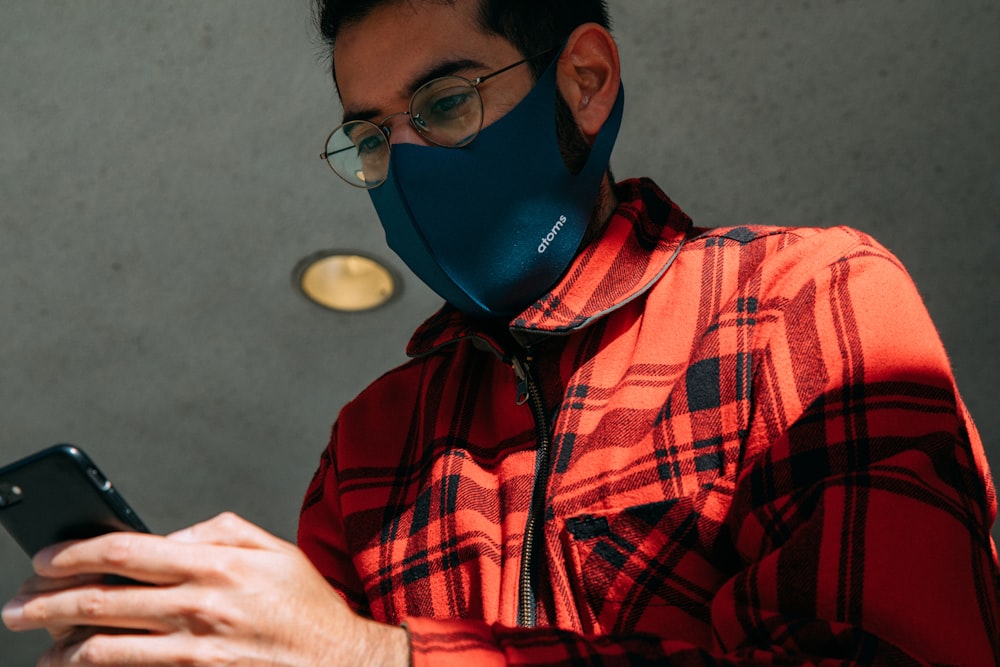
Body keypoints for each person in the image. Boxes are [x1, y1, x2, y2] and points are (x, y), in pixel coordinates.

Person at [3, 0, 999, 665]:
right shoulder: (370, 443)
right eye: (368, 136)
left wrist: (376, 655)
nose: (407, 165)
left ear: (584, 83)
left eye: (443, 103)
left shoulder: (797, 297)